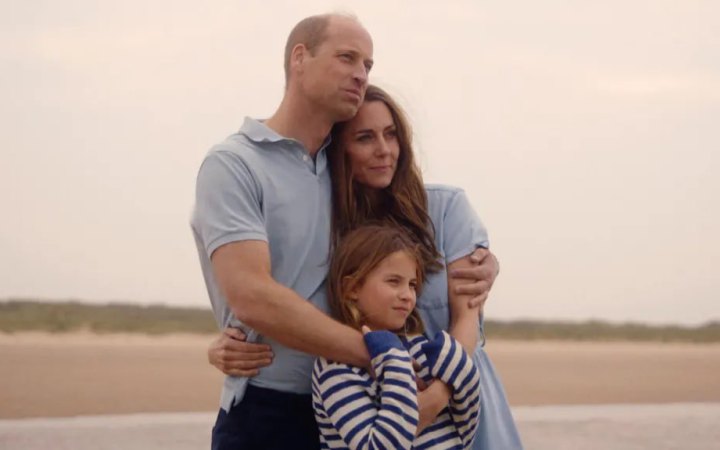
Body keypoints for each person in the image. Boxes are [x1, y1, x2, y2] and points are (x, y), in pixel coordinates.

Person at [192, 13, 500, 450]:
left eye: (367, 65)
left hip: (356, 406)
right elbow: (250, 296)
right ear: (300, 58)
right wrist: (382, 356)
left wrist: (488, 261)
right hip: (274, 405)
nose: (360, 73)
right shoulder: (235, 164)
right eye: (347, 58)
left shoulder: (342, 179)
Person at [313, 224, 481, 449]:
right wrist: (394, 361)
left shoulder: (420, 347)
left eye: (412, 285)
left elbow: (464, 432)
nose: (407, 295)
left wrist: (459, 368)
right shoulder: (336, 367)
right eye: (394, 281)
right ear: (352, 288)